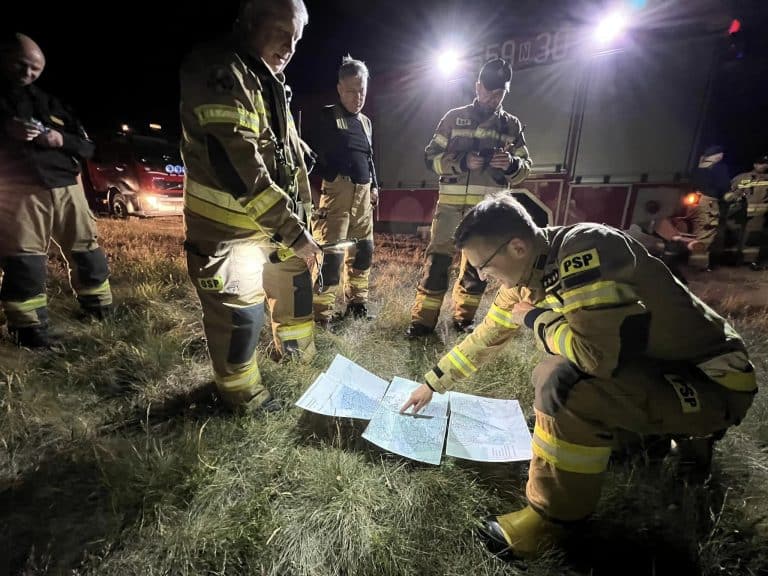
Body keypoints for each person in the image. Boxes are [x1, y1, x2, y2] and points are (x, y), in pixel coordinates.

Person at [401, 195, 756, 559]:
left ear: (518, 246)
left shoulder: (585, 251)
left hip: (714, 382)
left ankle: (552, 522)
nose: (484, 277)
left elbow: (596, 359)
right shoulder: (528, 276)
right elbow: (486, 338)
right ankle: (648, 442)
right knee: (559, 394)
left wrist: (536, 320)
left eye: (484, 267)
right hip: (665, 370)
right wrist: (431, 383)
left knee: (563, 383)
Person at [180, 0, 321, 413]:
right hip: (230, 233)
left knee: (294, 298)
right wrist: (295, 232)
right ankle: (244, 400)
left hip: (273, 228)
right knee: (240, 319)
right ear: (249, 22)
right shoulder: (220, 69)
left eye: (296, 38)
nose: (289, 46)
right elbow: (235, 158)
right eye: (281, 31)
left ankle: (298, 366)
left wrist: (301, 154)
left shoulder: (268, 79)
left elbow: (270, 141)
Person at [0, 33, 112, 348]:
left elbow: (87, 146)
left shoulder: (52, 103)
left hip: (66, 187)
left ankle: (99, 310)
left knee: (87, 251)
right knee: (24, 259)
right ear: (4, 56)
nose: (28, 73)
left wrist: (59, 139)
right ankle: (29, 330)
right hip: (20, 189)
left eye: (35, 68)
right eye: (22, 64)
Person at [406, 58, 531, 338]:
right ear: (477, 87)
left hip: (487, 213)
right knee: (437, 263)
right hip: (450, 208)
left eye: (499, 94)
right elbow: (430, 158)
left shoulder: (511, 126)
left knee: (478, 268)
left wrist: (510, 164)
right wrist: (462, 163)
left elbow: (525, 168)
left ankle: (463, 320)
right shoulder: (453, 118)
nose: (492, 98)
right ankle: (422, 322)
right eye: (488, 91)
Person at [308, 55, 378, 326]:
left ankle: (357, 304)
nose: (357, 97)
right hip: (336, 198)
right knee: (332, 258)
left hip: (362, 198)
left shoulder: (366, 122)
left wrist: (375, 186)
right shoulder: (327, 116)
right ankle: (321, 315)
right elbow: (309, 159)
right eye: (351, 91)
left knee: (364, 253)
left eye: (362, 90)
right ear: (339, 89)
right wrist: (317, 197)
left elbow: (369, 157)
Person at [688, 145, 734, 270]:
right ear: (719, 155)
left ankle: (692, 258)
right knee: (708, 230)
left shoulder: (699, 166)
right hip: (709, 201)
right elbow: (724, 186)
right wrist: (730, 194)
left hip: (696, 201)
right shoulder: (719, 167)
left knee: (698, 228)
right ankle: (699, 263)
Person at [730, 152, 768, 270]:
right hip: (739, 213)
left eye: (765, 164)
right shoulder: (742, 177)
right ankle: (735, 258)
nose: (763, 166)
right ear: (755, 164)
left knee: (752, 238)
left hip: (759, 214)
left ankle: (750, 261)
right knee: (736, 236)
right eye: (760, 164)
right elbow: (733, 192)